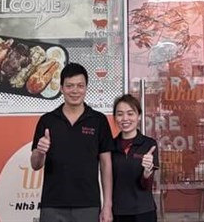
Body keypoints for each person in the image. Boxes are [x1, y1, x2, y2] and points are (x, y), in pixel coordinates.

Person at [31, 63, 114, 222]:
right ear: (61, 88)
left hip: (88, 205)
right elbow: (35, 165)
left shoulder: (98, 121)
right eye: (69, 86)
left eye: (80, 86)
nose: (75, 91)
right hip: (52, 205)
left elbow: (106, 164)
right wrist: (40, 152)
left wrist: (107, 206)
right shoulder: (47, 121)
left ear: (86, 88)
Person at [111, 94, 159, 222]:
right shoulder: (109, 145)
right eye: (120, 114)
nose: (125, 118)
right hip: (117, 212)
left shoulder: (149, 144)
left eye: (130, 113)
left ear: (139, 116)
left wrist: (147, 172)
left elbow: (147, 186)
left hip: (143, 211)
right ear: (115, 117)